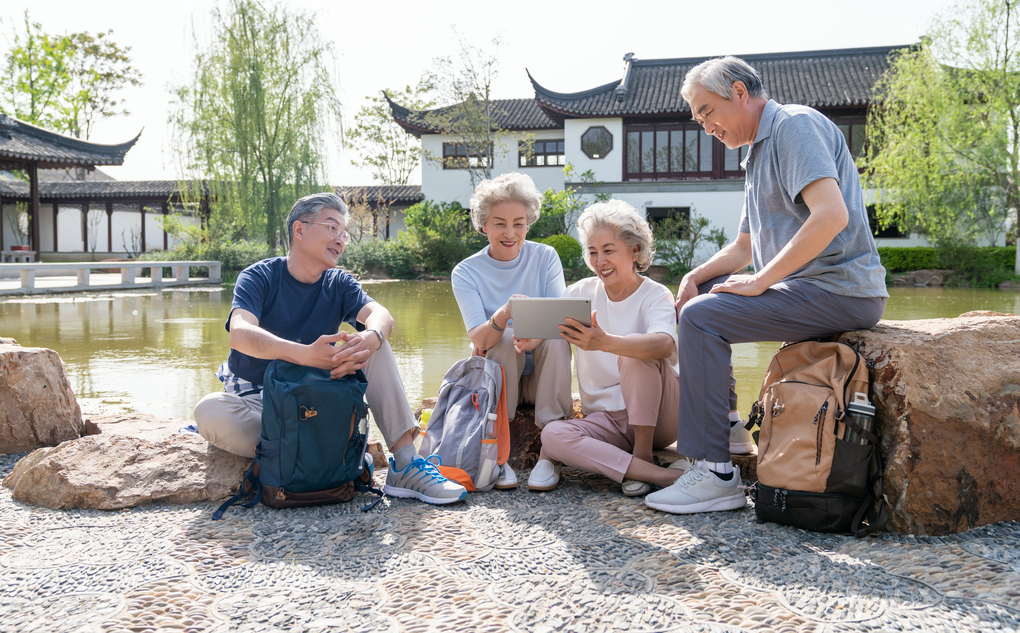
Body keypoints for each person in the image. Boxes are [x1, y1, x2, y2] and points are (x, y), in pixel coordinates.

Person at [644, 56, 889, 515]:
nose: (704, 125)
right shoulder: (755, 152)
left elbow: (831, 216)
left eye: (706, 111)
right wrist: (695, 276)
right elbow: (743, 247)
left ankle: (715, 473)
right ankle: (731, 427)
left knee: (700, 320)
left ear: (739, 92)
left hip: (840, 289)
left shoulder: (793, 126)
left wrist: (761, 282)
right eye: (697, 118)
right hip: (811, 287)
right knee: (703, 294)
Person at [194, 192, 467, 505]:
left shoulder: (338, 282)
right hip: (263, 406)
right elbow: (240, 334)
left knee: (373, 344)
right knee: (210, 410)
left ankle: (405, 463)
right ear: (300, 230)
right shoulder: (259, 276)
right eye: (332, 228)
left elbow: (382, 316)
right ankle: (329, 452)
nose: (341, 239)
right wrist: (305, 354)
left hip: (317, 405)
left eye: (344, 232)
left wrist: (372, 336)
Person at [526, 200, 688, 496]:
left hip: (661, 415)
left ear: (634, 250)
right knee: (553, 435)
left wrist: (608, 343)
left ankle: (642, 456)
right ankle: (660, 476)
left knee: (635, 353)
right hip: (607, 421)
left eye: (608, 250)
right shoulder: (579, 293)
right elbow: (550, 331)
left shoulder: (655, 294)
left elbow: (665, 344)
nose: (600, 261)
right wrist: (530, 339)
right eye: (592, 252)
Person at [451, 172, 574, 489]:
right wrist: (504, 314)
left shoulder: (545, 257)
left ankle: (550, 453)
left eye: (518, 223)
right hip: (498, 383)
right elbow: (479, 338)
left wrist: (535, 337)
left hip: (541, 378)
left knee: (557, 339)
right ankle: (499, 454)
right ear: (483, 225)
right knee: (501, 335)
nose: (510, 232)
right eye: (499, 223)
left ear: (528, 223)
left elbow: (561, 318)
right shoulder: (466, 272)